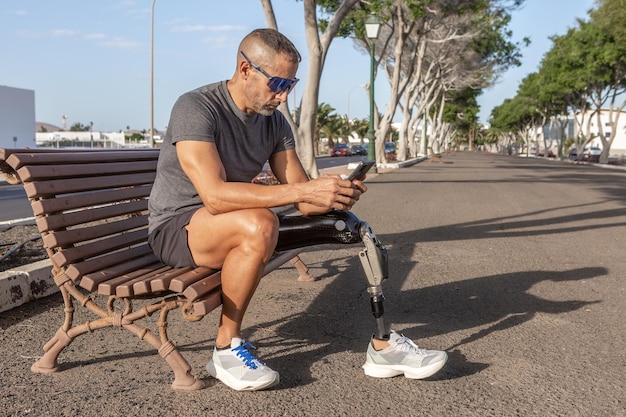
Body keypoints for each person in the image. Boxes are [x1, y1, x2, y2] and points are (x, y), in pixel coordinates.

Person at [148, 28, 446, 391]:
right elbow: (215, 197)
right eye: (276, 83)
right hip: (178, 228)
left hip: (235, 222)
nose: (284, 95)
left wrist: (333, 195)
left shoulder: (273, 122)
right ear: (245, 70)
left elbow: (303, 198)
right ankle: (225, 348)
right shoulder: (197, 107)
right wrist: (302, 190)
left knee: (350, 225)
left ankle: (383, 345)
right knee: (260, 224)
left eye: (291, 84)